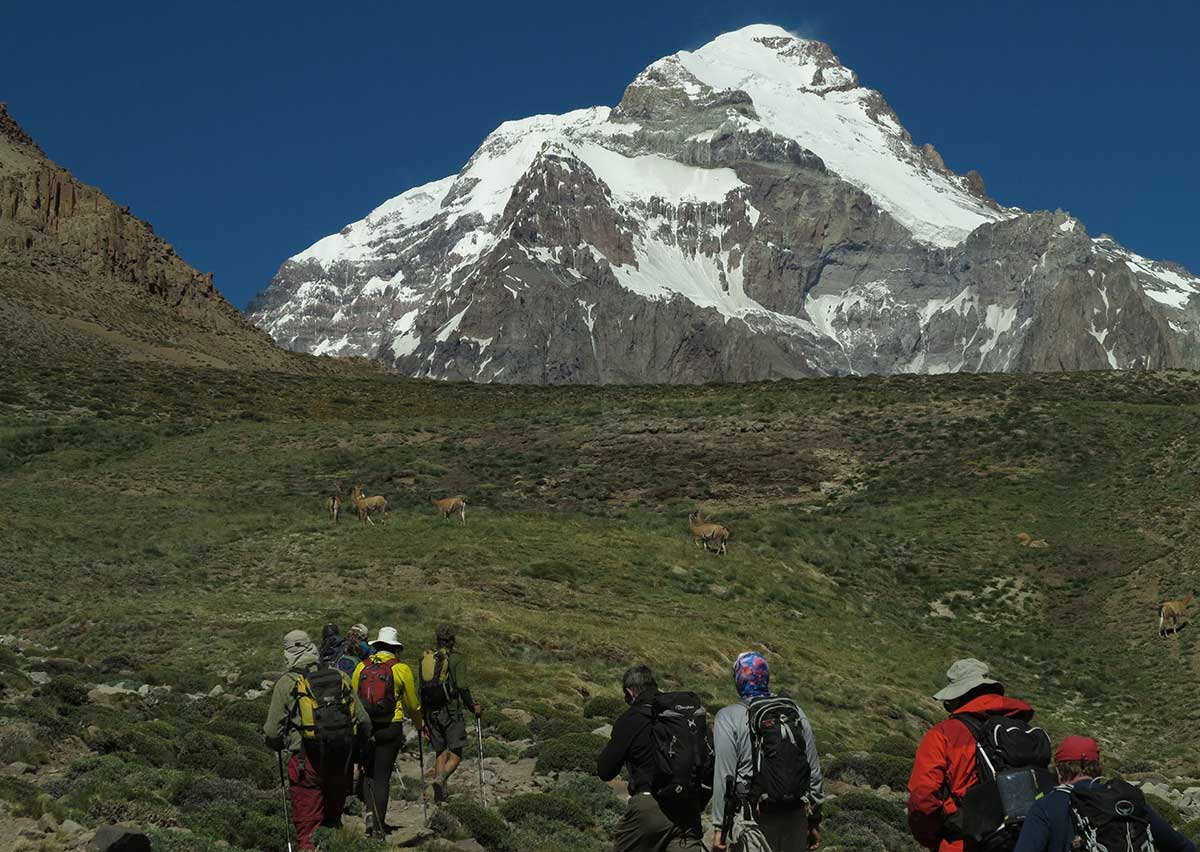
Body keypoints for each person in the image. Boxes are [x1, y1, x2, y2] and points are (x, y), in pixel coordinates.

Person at [907, 659, 1038, 852]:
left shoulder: (943, 734)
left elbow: (923, 799)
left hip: (964, 844)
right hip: (1024, 841)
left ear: (958, 697)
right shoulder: (1021, 731)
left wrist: (933, 841)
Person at [263, 629, 370, 851]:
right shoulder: (339, 675)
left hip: (305, 760)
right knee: (333, 818)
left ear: (288, 653)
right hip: (341, 757)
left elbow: (272, 731)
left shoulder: (286, 683)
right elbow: (363, 719)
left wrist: (278, 744)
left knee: (308, 825)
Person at [711, 652, 823, 852]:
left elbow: (724, 776)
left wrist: (720, 827)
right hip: (795, 817)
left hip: (753, 820)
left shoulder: (727, 717)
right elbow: (813, 769)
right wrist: (814, 820)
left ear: (739, 679)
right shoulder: (794, 710)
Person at [1013, 735, 1196, 852]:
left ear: (1059, 771)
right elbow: (1182, 846)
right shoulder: (1126, 802)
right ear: (1099, 769)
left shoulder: (1045, 806)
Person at [597, 665, 706, 852]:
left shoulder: (632, 718)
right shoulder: (680, 715)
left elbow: (606, 771)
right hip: (688, 808)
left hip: (649, 807)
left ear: (631, 691)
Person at [351, 626, 423, 838]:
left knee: (368, 773)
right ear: (394, 648)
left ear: (377, 646)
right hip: (391, 727)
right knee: (382, 777)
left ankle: (369, 816)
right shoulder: (401, 669)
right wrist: (419, 725)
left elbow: (354, 698)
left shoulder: (360, 668)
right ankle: (379, 829)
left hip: (367, 727)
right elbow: (412, 704)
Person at [421, 624, 482, 803]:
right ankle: (440, 780)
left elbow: (421, 688)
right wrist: (473, 707)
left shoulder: (427, 659)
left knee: (440, 751)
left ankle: (440, 796)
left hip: (431, 711)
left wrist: (423, 716)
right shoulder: (455, 660)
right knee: (456, 752)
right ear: (453, 641)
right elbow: (462, 686)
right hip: (451, 711)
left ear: (437, 640)